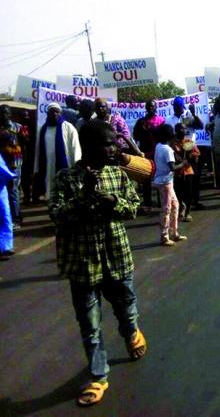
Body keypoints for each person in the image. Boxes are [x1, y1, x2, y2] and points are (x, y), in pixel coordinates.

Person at [48, 119, 146, 407]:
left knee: (126, 308)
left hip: (117, 257)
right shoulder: (66, 179)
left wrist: (111, 202)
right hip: (83, 265)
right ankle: (98, 376)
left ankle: (131, 332)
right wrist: (83, 197)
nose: (115, 148)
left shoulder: (119, 175)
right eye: (109, 143)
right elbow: (57, 215)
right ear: (90, 147)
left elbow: (132, 209)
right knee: (90, 325)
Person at [34, 103, 81, 201]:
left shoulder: (68, 127)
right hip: (48, 164)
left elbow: (75, 147)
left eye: (57, 111)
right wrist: (37, 167)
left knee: (65, 189)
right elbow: (38, 149)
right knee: (50, 189)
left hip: (65, 164)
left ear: (60, 113)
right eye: (52, 112)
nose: (55, 114)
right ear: (48, 114)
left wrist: (77, 164)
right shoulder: (43, 129)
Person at [152, 124, 188, 246]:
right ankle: (165, 236)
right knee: (167, 208)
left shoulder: (158, 146)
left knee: (174, 205)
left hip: (163, 180)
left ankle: (173, 233)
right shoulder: (167, 149)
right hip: (165, 181)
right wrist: (183, 163)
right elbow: (172, 167)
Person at [133, 100, 165, 213]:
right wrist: (143, 131)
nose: (151, 108)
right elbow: (135, 135)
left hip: (158, 153)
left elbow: (164, 136)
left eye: (153, 106)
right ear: (146, 108)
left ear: (156, 108)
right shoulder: (141, 121)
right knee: (146, 178)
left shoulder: (161, 121)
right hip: (145, 153)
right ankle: (147, 203)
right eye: (149, 106)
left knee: (160, 177)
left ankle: (162, 202)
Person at [0, 105, 28, 228]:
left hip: (14, 164)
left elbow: (26, 143)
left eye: (6, 113)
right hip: (2, 164)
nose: (3, 115)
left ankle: (16, 219)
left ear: (10, 114)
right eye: (1, 113)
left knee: (13, 191)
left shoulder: (18, 127)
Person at [172, 123, 199, 222]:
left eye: (183, 129)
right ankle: (181, 208)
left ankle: (187, 212)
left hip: (188, 171)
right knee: (178, 193)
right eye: (180, 129)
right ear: (176, 131)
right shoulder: (173, 143)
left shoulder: (189, 142)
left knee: (189, 193)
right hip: (177, 172)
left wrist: (190, 155)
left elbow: (196, 153)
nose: (182, 131)